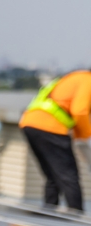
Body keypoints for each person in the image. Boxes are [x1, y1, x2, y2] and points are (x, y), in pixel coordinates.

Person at [19, 71, 91, 215]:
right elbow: (80, 111)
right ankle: (76, 216)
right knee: (69, 175)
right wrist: (85, 136)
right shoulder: (87, 80)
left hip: (30, 123)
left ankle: (49, 210)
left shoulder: (73, 77)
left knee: (53, 174)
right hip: (50, 127)